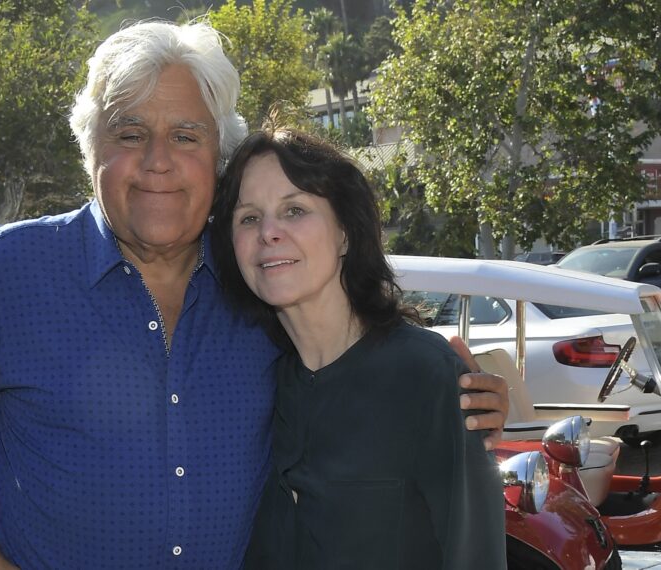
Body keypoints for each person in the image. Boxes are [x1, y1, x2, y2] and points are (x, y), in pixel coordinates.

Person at [0, 20, 510, 569]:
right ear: (91, 150)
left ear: (217, 156)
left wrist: (458, 402)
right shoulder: (12, 272)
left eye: (186, 136)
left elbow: (350, 365)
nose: (158, 161)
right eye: (129, 133)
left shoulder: (256, 274)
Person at [210, 129, 506, 568]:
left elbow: (476, 557)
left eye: (295, 210)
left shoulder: (426, 376)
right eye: (249, 218)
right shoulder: (255, 382)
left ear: (345, 233)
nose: (269, 232)